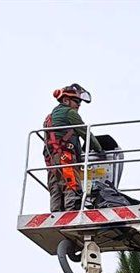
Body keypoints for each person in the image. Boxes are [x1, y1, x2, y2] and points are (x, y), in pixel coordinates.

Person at [43, 83, 91, 212]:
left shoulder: (49, 118)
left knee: (56, 188)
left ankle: (56, 214)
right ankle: (72, 213)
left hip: (51, 160)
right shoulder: (70, 113)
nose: (78, 105)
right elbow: (86, 134)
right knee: (71, 185)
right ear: (65, 100)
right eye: (76, 101)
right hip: (66, 157)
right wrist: (99, 149)